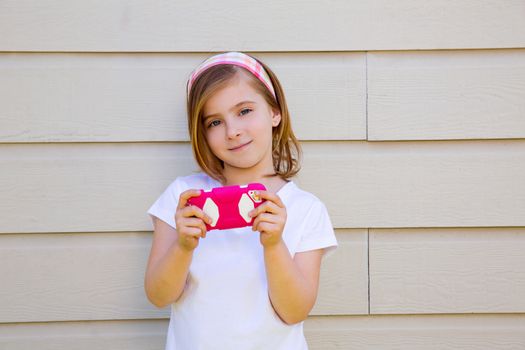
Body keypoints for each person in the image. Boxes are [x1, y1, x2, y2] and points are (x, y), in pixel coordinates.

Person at [145, 51, 338, 349]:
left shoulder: (307, 210)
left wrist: (274, 245)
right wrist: (183, 246)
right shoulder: (183, 197)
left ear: (275, 112)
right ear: (203, 134)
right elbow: (158, 295)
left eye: (245, 111)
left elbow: (295, 311)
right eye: (214, 123)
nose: (233, 131)